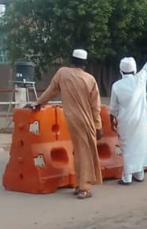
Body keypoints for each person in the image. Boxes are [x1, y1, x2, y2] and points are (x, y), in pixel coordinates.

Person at [32, 49, 103, 199]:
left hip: (70, 118)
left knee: (78, 151)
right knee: (85, 153)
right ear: (85, 63)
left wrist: (38, 103)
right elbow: (95, 106)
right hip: (86, 120)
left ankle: (78, 184)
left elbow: (51, 91)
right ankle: (84, 188)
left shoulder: (62, 73)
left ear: (71, 60)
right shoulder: (90, 79)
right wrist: (98, 126)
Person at [109, 38, 147, 185]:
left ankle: (127, 177)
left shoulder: (116, 86)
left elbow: (112, 108)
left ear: (121, 71)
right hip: (140, 121)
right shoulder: (140, 79)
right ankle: (139, 174)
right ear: (134, 69)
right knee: (139, 146)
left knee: (127, 148)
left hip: (125, 122)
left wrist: (111, 122)